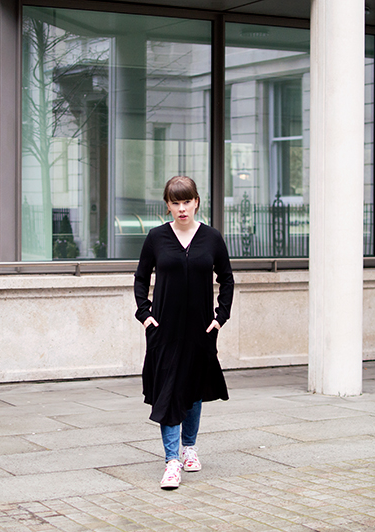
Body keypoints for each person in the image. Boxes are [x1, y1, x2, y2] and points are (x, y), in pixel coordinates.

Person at [134, 175, 234, 490]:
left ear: (196, 202)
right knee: (167, 391)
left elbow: (227, 279)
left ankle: (189, 447)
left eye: (187, 201)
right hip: (164, 330)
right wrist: (145, 315)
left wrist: (220, 317)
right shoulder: (156, 238)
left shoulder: (212, 238)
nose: (181, 208)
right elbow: (140, 278)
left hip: (201, 330)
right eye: (175, 202)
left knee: (193, 390)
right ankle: (171, 461)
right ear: (167, 205)